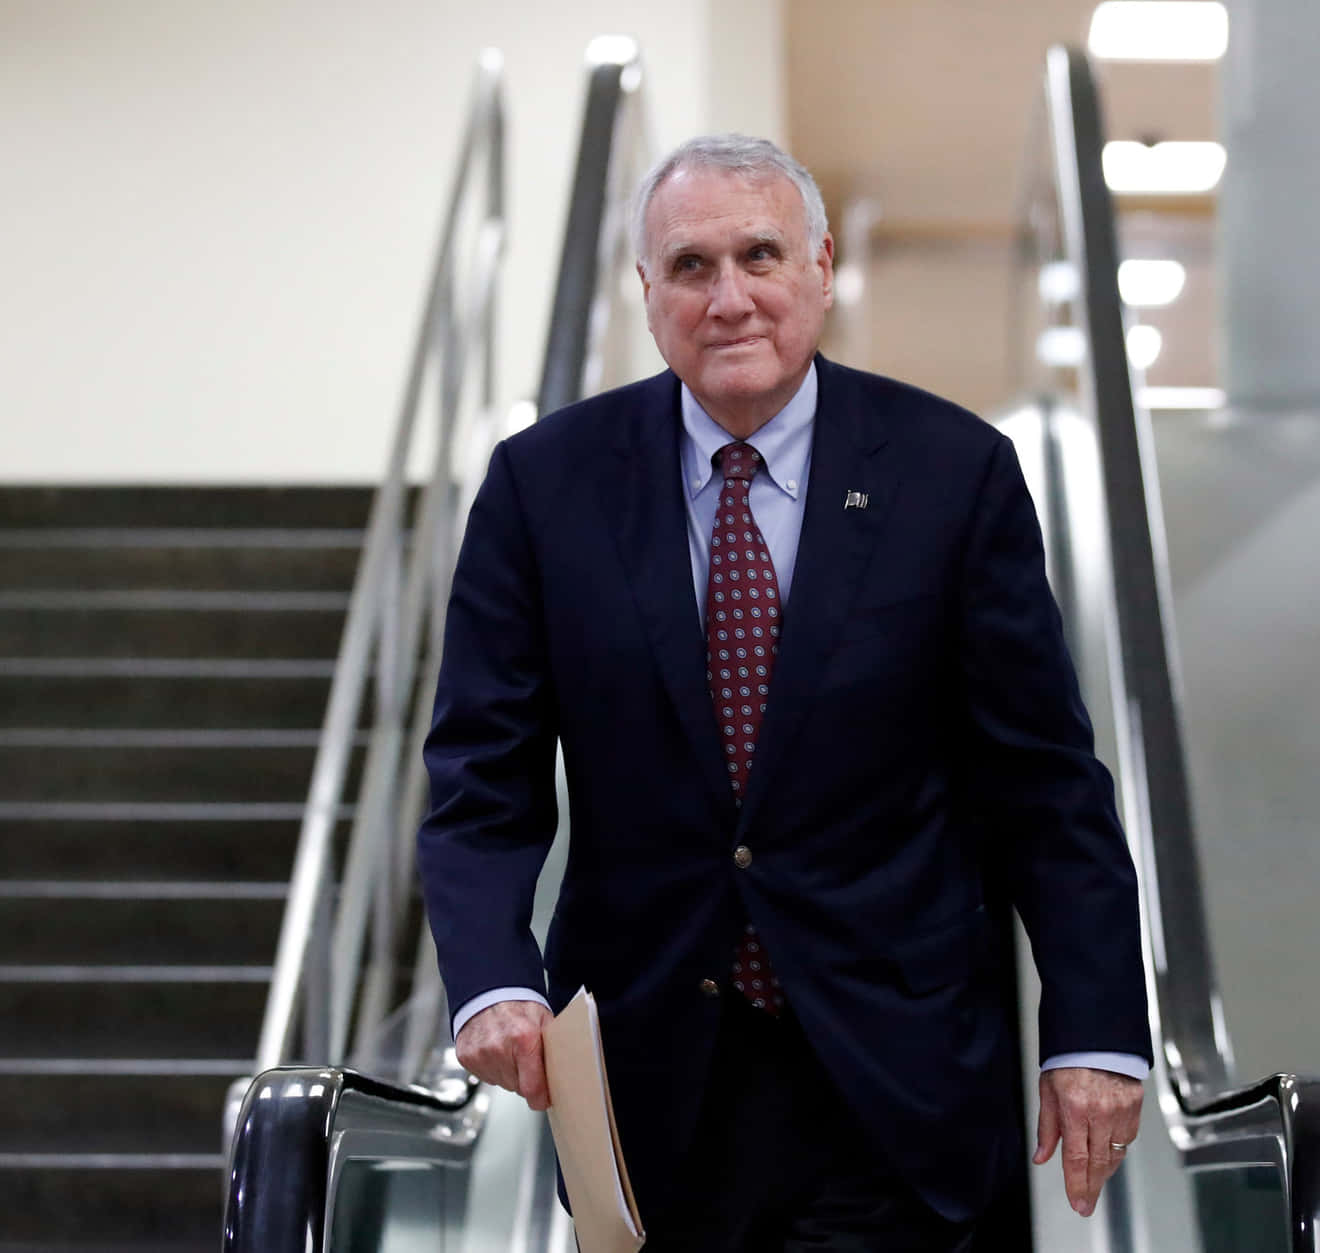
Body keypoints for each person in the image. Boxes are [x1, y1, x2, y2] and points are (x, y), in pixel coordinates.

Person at [417, 133, 1149, 1251]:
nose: (730, 298)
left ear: (819, 266)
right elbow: (480, 774)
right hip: (649, 1091)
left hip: (900, 1083)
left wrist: (1093, 1027)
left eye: (759, 256)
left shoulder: (952, 474)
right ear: (648, 292)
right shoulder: (543, 486)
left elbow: (1044, 782)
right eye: (692, 266)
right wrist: (487, 979)